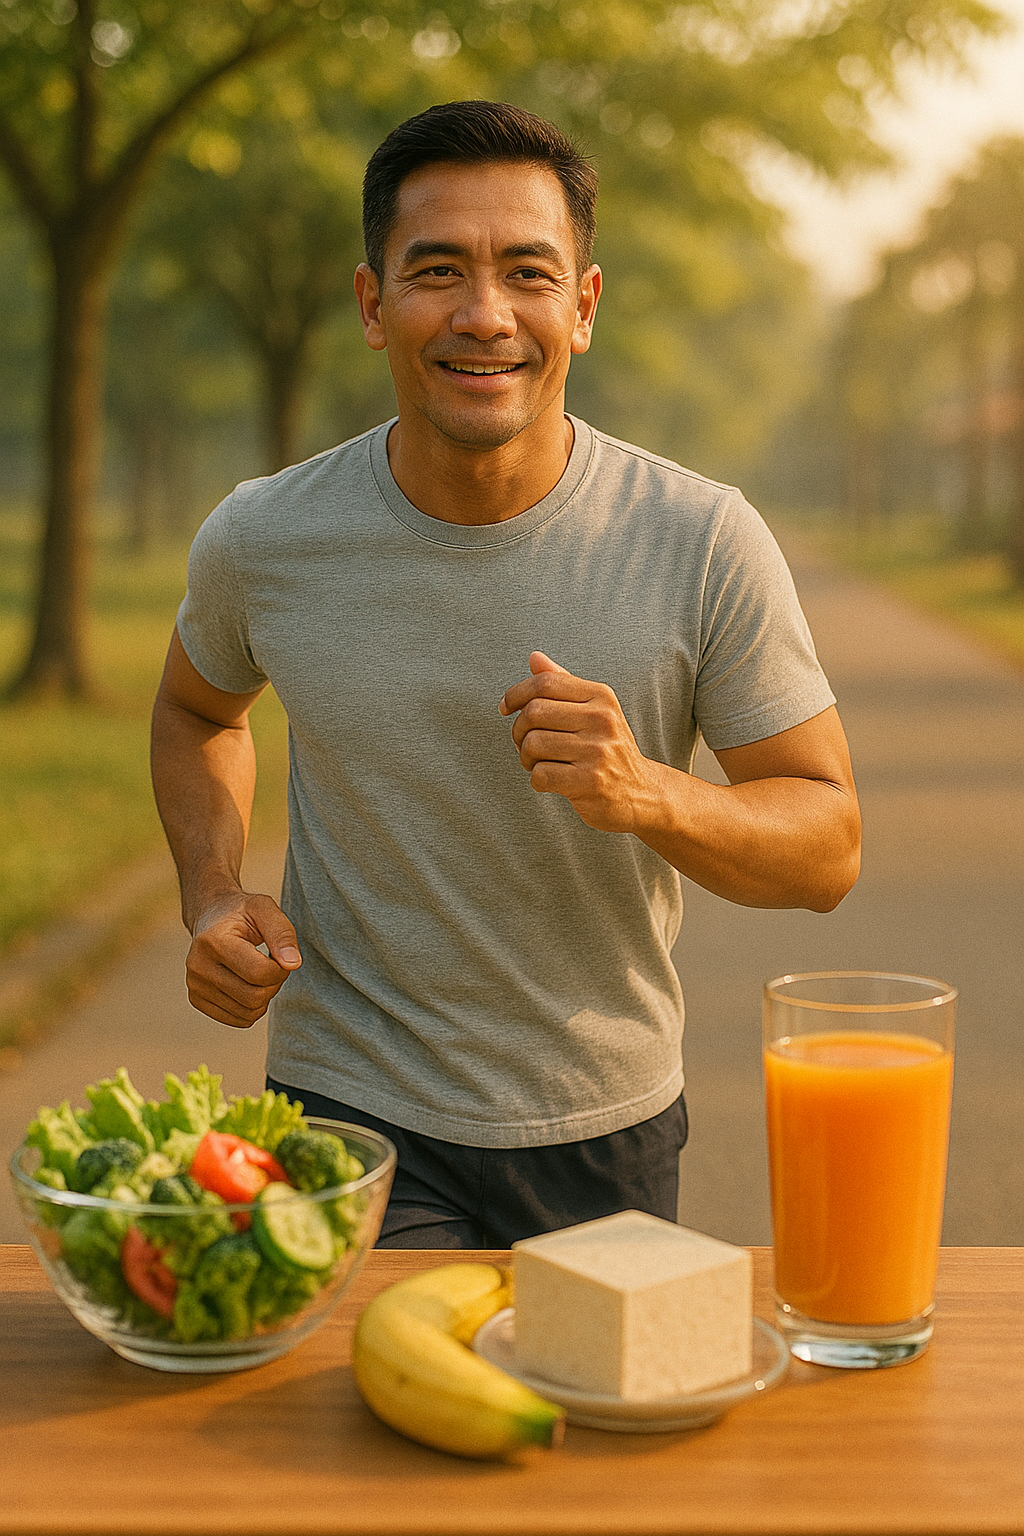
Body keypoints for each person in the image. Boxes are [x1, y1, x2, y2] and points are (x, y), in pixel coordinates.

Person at [151, 100, 861, 1248]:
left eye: (527, 273)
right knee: (385, 1414)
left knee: (570, 1426)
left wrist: (647, 793)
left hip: (603, 1119)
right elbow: (196, 707)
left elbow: (828, 846)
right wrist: (213, 891)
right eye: (436, 270)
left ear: (580, 308)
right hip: (348, 1110)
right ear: (374, 307)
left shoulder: (702, 537)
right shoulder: (265, 537)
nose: (484, 315)